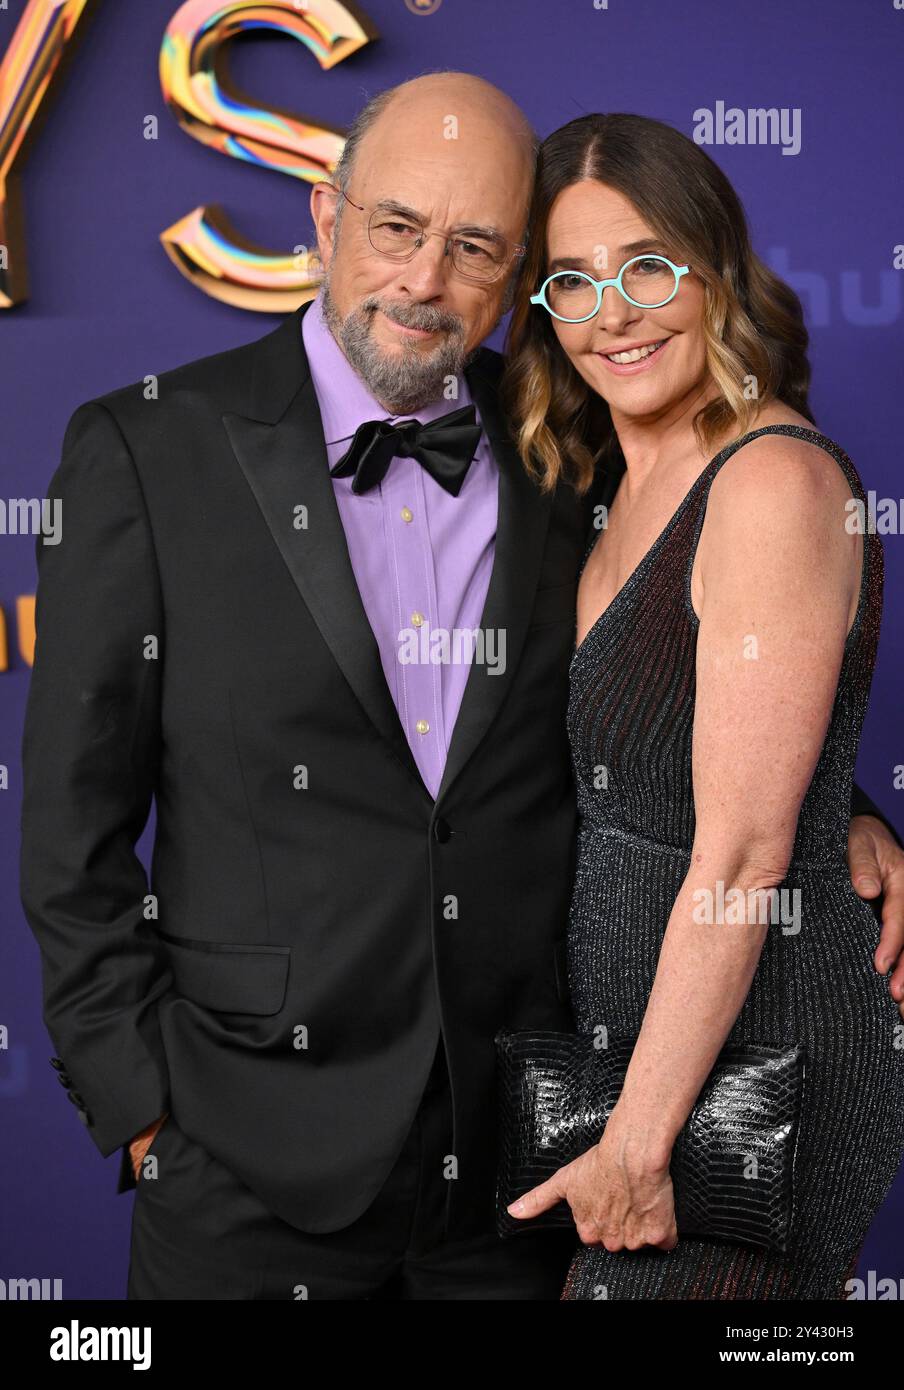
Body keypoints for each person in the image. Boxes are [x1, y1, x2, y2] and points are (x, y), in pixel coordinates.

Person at [19, 78, 904, 1301]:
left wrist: (840, 814)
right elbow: (71, 832)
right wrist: (139, 1107)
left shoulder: (572, 440)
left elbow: (691, 679)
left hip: (527, 1148)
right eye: (396, 227)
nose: (427, 280)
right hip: (244, 1152)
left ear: (511, 282)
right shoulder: (145, 451)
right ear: (325, 222)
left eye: (477, 247)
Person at [502, 111, 904, 1299]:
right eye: (570, 282)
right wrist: (855, 806)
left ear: (715, 267)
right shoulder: (601, 484)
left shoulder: (770, 480)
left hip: (757, 1070)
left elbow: (740, 842)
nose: (612, 313)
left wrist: (637, 1142)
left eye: (646, 267)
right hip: (638, 1058)